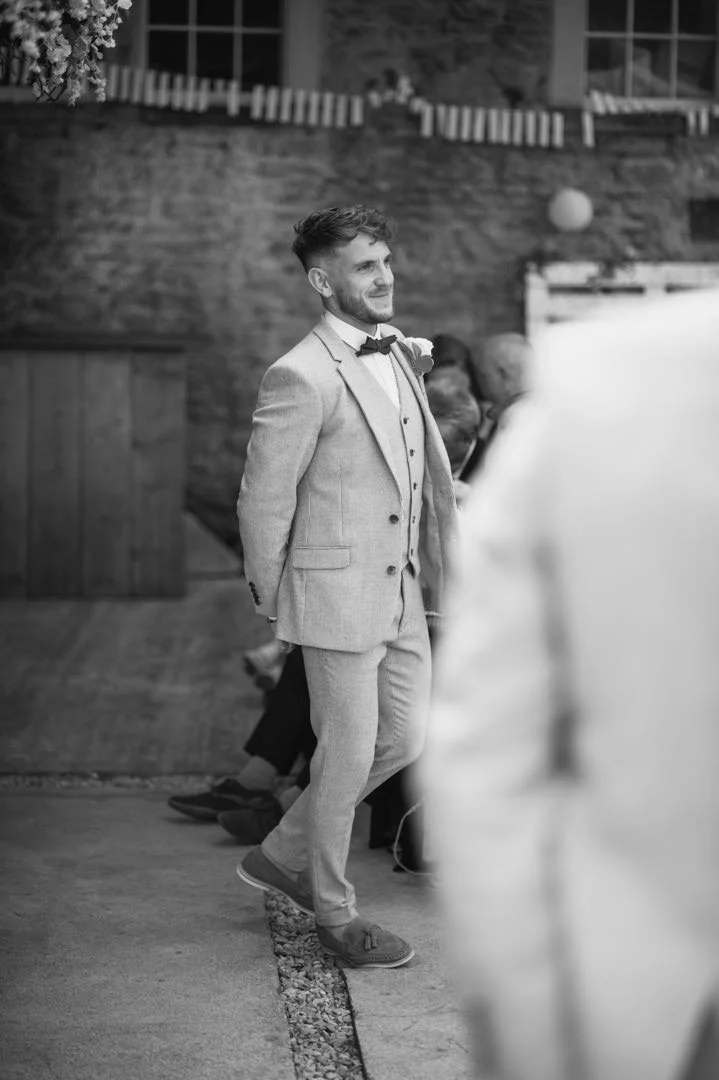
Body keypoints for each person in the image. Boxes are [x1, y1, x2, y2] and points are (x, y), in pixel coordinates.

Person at [421, 290, 719, 1080]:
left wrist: (521, 1019)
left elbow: (485, 756)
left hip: (643, 975)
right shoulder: (605, 392)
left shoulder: (609, 389)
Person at [236, 204, 457, 968]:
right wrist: (277, 599)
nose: (385, 276)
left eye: (386, 261)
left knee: (404, 737)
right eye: (366, 266)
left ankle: (280, 853)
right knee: (345, 752)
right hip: (334, 595)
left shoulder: (395, 351)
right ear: (322, 281)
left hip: (398, 588)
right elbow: (264, 496)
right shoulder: (297, 374)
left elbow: (409, 466)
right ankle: (333, 913)